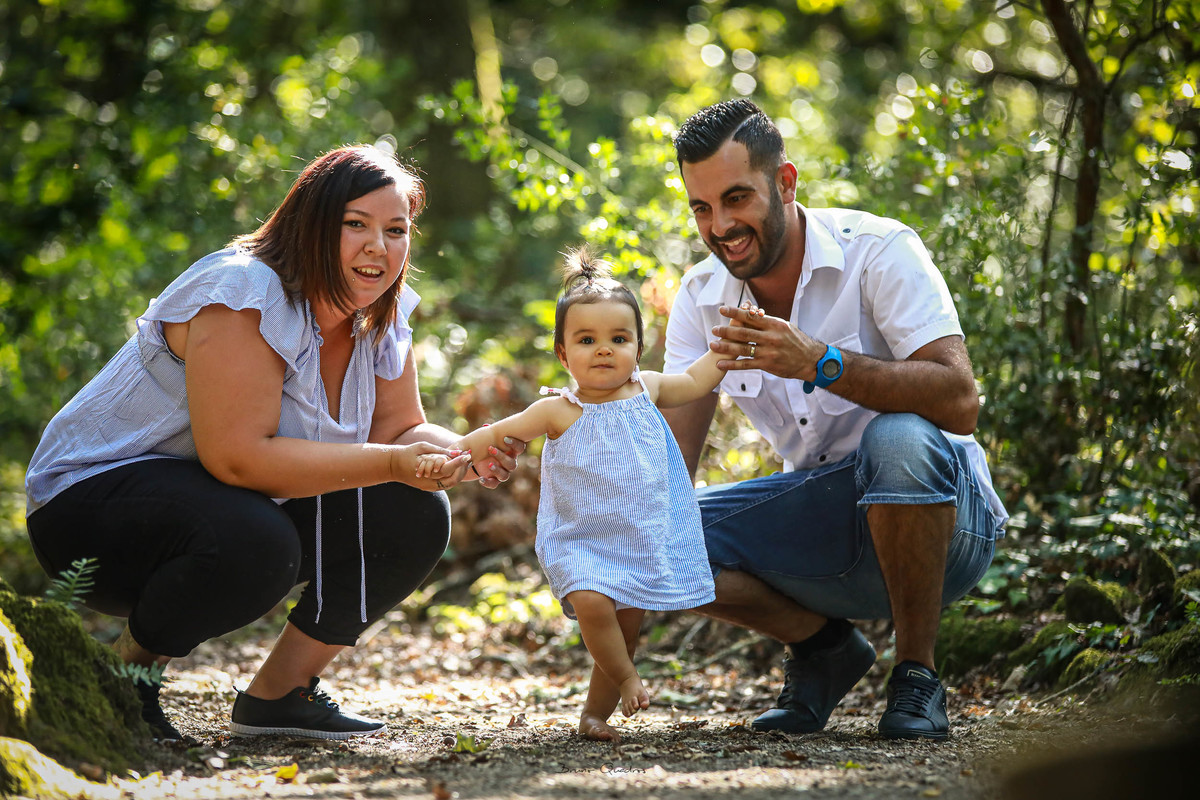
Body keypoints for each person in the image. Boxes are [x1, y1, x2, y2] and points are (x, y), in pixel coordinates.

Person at [23, 145, 522, 742]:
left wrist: (470, 450)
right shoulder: (243, 292)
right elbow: (238, 457)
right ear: (311, 224)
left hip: (220, 504)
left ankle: (280, 695)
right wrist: (394, 462)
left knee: (411, 509)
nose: (378, 247)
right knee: (256, 539)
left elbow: (397, 433)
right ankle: (124, 679)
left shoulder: (378, 317)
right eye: (355, 225)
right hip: (90, 507)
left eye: (396, 230)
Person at [660, 99, 1008, 740]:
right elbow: (670, 472)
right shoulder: (700, 298)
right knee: (652, 532)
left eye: (738, 198)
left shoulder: (878, 251)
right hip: (820, 536)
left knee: (899, 437)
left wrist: (819, 362)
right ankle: (824, 650)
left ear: (785, 182)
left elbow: (960, 399)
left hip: (947, 527)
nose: (721, 226)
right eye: (702, 208)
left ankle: (917, 678)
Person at [416, 247, 744, 742]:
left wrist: (726, 348)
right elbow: (497, 432)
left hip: (636, 536)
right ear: (564, 354)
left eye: (619, 338)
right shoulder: (558, 412)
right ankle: (630, 680)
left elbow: (697, 381)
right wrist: (449, 453)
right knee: (592, 603)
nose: (605, 349)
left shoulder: (648, 389)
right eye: (587, 340)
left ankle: (595, 715)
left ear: (637, 346)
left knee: (626, 630)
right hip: (580, 537)